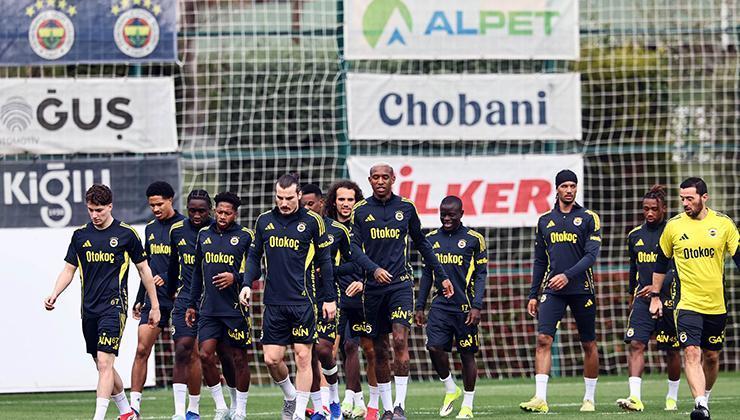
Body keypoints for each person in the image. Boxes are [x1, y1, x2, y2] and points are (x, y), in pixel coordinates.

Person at [44, 184, 161, 420]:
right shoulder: (80, 236)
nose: (95, 215)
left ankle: (98, 417)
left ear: (110, 207)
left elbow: (144, 270)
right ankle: (127, 412)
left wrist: (155, 305)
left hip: (114, 307)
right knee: (100, 363)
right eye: (91, 210)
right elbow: (69, 269)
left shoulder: (126, 234)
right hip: (89, 308)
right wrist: (54, 293)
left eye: (99, 210)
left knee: (106, 362)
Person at [351, 163, 450, 420]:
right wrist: (373, 269)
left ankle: (399, 406)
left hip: (400, 285)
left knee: (399, 340)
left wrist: (442, 276)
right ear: (369, 180)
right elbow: (354, 248)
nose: (380, 181)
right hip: (373, 289)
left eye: (385, 177)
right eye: (375, 177)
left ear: (393, 179)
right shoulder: (360, 211)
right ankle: (386, 409)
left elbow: (422, 243)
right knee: (380, 349)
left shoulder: (406, 207)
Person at [239, 174, 337, 420]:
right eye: (279, 198)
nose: (283, 203)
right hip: (273, 302)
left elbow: (325, 262)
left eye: (289, 198)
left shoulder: (313, 221)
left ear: (299, 195)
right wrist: (246, 284)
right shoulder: (264, 221)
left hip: (303, 301)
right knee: (271, 359)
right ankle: (290, 395)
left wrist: (329, 298)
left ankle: (299, 414)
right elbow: (253, 257)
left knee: (303, 357)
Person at [644, 177, 740, 420]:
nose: (685, 203)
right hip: (686, 303)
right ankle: (700, 405)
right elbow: (660, 263)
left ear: (704, 197)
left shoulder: (723, 224)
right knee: (691, 351)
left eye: (690, 198)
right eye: (682, 199)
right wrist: (655, 296)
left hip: (716, 304)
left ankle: (704, 396)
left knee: (712, 356)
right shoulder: (674, 226)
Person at [520, 169, 602, 414]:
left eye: (572, 186)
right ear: (556, 189)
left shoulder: (588, 218)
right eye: (564, 186)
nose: (569, 190)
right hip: (553, 290)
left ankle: (589, 399)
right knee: (543, 339)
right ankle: (540, 398)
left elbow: (590, 256)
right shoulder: (545, 220)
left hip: (581, 288)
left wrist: (567, 275)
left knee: (588, 343)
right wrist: (533, 294)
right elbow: (539, 260)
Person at [415, 196, 487, 419]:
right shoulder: (430, 239)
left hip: (465, 307)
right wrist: (420, 306)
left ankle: (467, 405)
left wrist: (476, 306)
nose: (446, 218)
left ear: (461, 214)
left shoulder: (474, 239)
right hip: (440, 306)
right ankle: (450, 388)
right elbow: (427, 274)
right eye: (443, 214)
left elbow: (481, 275)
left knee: (467, 355)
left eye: (451, 215)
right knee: (434, 347)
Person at [186, 192, 254, 420]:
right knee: (205, 355)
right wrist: (192, 304)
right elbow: (197, 272)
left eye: (228, 213)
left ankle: (240, 409)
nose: (223, 216)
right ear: (215, 211)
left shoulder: (245, 236)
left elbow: (257, 269)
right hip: (209, 308)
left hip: (235, 308)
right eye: (220, 212)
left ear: (235, 214)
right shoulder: (204, 234)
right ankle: (221, 407)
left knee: (237, 358)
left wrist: (235, 277)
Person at [615, 185, 681, 412]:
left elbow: (677, 268)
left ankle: (672, 398)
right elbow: (633, 268)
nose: (650, 213)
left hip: (669, 299)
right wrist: (631, 294)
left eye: (654, 208)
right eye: (646, 209)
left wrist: (657, 287)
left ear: (664, 208)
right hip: (643, 300)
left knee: (671, 349)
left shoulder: (673, 232)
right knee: (636, 344)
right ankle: (635, 397)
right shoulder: (635, 236)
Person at [130, 181, 185, 415]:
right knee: (142, 348)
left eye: (159, 204)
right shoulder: (150, 229)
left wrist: (169, 278)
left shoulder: (185, 226)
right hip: (155, 300)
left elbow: (190, 264)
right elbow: (146, 266)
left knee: (183, 352)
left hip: (180, 298)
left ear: (171, 200)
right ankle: (134, 407)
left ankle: (182, 410)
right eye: (151, 205)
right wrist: (140, 297)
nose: (155, 209)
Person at [301, 183, 354, 420]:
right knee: (308, 353)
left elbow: (354, 264)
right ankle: (320, 407)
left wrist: (331, 270)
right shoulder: (296, 229)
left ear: (322, 203)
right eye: (303, 205)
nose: (307, 209)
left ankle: (333, 397)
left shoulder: (337, 231)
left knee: (324, 349)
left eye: (310, 204)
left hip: (328, 297)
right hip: (302, 298)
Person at [326, 180, 377, 420]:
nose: (346, 204)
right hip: (335, 296)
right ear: (334, 202)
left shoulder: (365, 227)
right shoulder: (326, 228)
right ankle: (346, 401)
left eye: (350, 199)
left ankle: (372, 404)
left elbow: (375, 260)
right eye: (341, 199)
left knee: (370, 349)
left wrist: (364, 282)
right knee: (339, 347)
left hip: (364, 294)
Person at [168, 190, 213, 419]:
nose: (196, 215)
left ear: (209, 210)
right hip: (185, 299)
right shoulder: (177, 230)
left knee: (217, 355)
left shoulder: (218, 229)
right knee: (182, 349)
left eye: (201, 211)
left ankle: (218, 406)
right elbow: (172, 266)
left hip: (214, 300)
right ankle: (180, 412)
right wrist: (171, 292)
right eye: (192, 210)